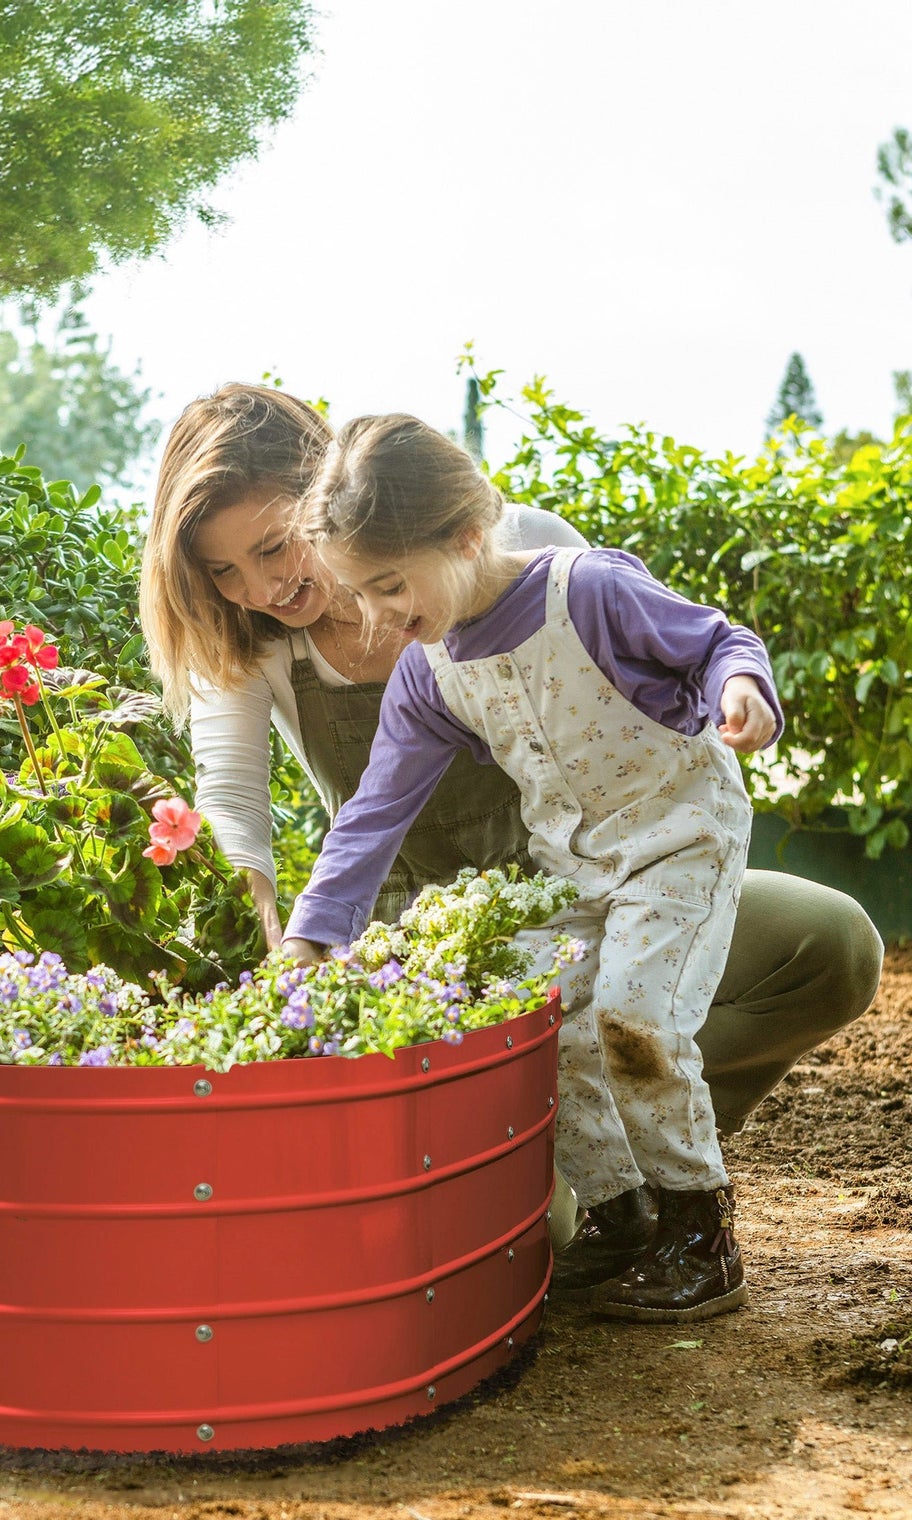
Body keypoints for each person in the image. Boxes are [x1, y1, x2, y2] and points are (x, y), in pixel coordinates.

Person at [139, 383, 884, 1298]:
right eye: (223, 573)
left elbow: (686, 649)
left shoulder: (537, 560)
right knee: (550, 1182)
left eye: (273, 547)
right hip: (447, 929)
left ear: (333, 497)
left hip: (613, 873)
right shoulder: (312, 651)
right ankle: (600, 1191)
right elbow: (301, 810)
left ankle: (678, 1195)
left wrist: (736, 695)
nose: (262, 589)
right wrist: (290, 943)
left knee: (796, 956)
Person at [278, 412, 787, 1322]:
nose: (379, 616)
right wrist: (314, 935)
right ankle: (624, 1218)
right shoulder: (429, 672)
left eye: (390, 584)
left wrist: (741, 690)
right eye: (360, 595)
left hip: (679, 838)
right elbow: (374, 811)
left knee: (633, 1019)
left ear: (469, 535)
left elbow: (716, 643)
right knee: (538, 1013)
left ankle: (701, 1233)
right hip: (576, 869)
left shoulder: (585, 591)